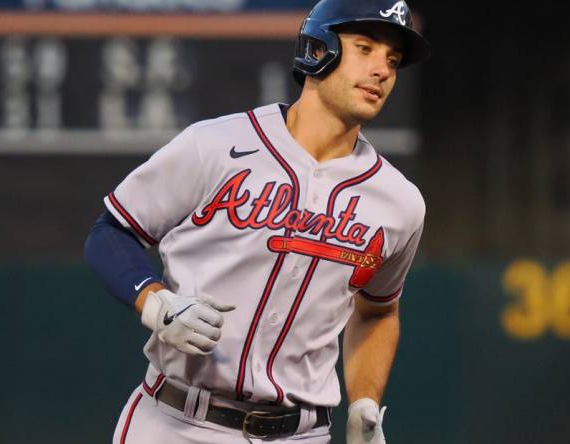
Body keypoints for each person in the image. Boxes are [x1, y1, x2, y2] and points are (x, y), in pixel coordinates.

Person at [84, 0, 431, 442]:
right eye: (365, 48)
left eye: (393, 60)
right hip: (175, 420)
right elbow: (111, 231)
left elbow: (379, 311)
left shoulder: (399, 202)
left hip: (299, 433)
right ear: (318, 50)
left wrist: (364, 399)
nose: (382, 69)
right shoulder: (214, 145)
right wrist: (155, 302)